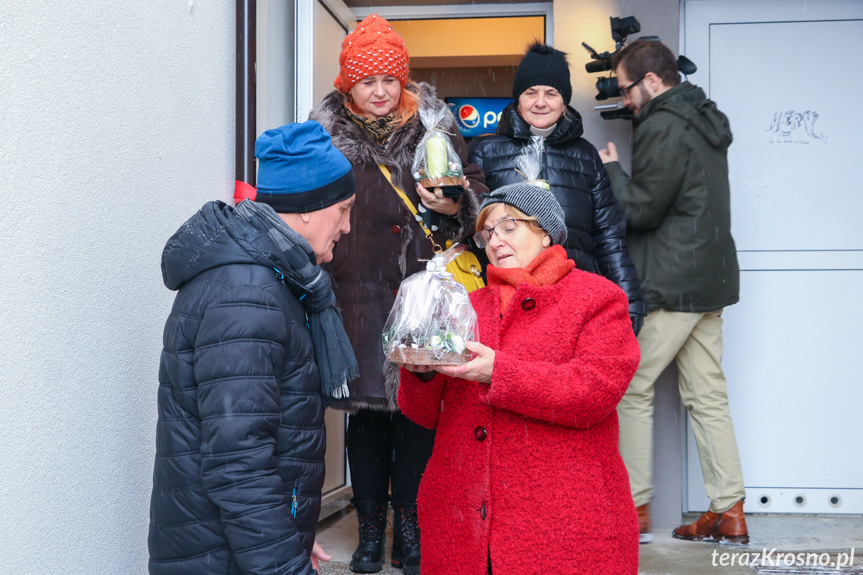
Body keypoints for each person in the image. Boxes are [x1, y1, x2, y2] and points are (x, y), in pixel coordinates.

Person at [308, 14, 488, 575]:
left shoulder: (436, 126)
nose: (381, 91)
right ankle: (369, 530)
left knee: (416, 414)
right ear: (348, 85)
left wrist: (457, 204)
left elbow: (475, 183)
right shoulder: (324, 135)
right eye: (368, 81)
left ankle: (409, 527)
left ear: (403, 79)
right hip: (354, 293)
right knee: (364, 419)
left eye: (390, 79)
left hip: (420, 293)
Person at [148, 121, 359, 575]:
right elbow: (238, 462)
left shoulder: (271, 276)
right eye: (343, 210)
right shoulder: (248, 292)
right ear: (308, 208)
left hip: (234, 548)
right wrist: (284, 564)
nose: (346, 226)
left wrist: (294, 534)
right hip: (223, 556)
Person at [399, 183, 641, 575]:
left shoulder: (598, 298)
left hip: (563, 524)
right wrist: (420, 372)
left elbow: (594, 392)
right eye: (488, 232)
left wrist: (500, 372)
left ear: (545, 231)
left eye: (508, 226)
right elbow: (424, 415)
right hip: (463, 524)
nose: (495, 239)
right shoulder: (465, 305)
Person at [598, 39, 748, 544]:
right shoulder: (704, 118)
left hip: (676, 280)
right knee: (707, 395)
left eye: (626, 89)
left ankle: (633, 507)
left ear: (653, 82)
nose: (624, 100)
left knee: (634, 385)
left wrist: (614, 170)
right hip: (711, 277)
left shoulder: (664, 125)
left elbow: (642, 209)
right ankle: (730, 511)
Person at [468, 41, 645, 334]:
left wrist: (629, 300)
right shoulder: (485, 150)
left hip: (574, 298)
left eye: (551, 93)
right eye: (531, 93)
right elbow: (472, 228)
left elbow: (608, 235)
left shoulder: (585, 155)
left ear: (564, 100)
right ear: (518, 98)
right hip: (505, 300)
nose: (540, 102)